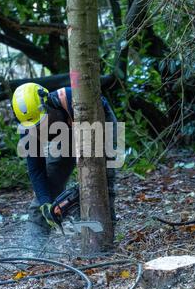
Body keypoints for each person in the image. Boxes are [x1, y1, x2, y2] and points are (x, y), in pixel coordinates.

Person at [12, 82, 117, 232]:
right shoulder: (28, 126)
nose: (38, 128)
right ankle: (32, 244)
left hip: (98, 123)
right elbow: (36, 170)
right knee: (49, 184)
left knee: (101, 177)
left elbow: (89, 152)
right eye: (34, 126)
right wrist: (45, 202)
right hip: (66, 132)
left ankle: (104, 232)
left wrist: (87, 184)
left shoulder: (75, 99)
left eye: (41, 122)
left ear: (49, 104)